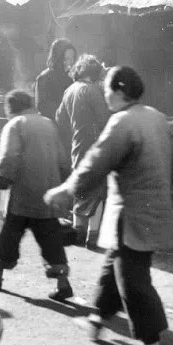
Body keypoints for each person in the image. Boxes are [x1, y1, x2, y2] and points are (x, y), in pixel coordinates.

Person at [45, 66, 173, 345]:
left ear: (119, 91)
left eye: (106, 88)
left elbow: (95, 162)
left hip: (132, 214)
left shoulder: (122, 121)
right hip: (153, 209)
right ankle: (97, 319)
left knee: (131, 278)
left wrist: (66, 190)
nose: (104, 94)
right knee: (114, 265)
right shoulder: (155, 117)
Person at [0, 89, 72, 300]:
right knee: (51, 240)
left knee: (8, 236)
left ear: (10, 108)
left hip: (22, 195)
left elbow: (8, 158)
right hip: (47, 196)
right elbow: (62, 160)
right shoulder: (48, 123)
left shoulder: (15, 125)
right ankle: (63, 284)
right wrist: (63, 188)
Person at [55, 54, 110, 248]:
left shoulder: (69, 90)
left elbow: (59, 118)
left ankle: (78, 232)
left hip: (77, 147)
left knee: (80, 189)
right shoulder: (92, 90)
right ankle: (92, 236)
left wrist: (75, 132)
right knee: (97, 191)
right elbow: (104, 120)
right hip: (94, 148)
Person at [35, 38, 76, 121]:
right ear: (58, 58)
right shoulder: (44, 77)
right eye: (66, 59)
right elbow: (42, 106)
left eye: (72, 58)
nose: (71, 62)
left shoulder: (72, 77)